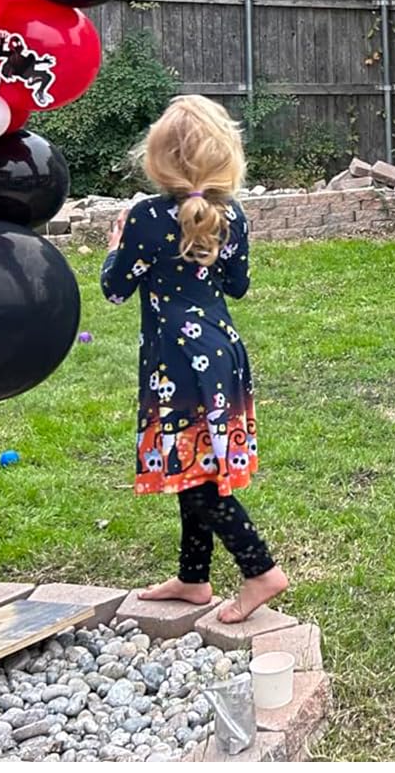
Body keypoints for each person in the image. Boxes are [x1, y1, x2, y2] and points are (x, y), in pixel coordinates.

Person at [100, 95, 288, 623]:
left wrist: (116, 245)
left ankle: (260, 569)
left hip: (176, 367)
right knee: (197, 467)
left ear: (159, 156)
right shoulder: (233, 216)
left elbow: (115, 290)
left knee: (197, 476)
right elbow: (238, 285)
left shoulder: (145, 217)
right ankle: (192, 578)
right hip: (222, 357)